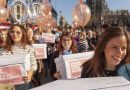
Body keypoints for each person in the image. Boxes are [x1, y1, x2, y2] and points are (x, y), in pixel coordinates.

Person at [1, 24, 37, 90]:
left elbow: (33, 65)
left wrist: (29, 74)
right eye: (12, 32)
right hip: (5, 85)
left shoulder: (28, 48)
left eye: (18, 32)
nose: (14, 34)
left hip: (22, 82)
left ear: (23, 34)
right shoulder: (3, 49)